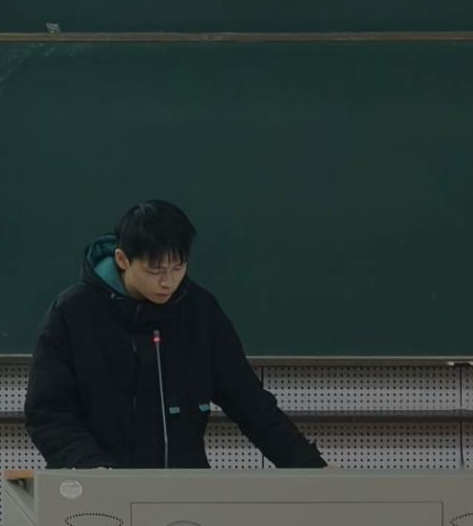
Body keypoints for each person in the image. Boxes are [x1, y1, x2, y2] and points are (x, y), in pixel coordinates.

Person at [24, 200, 326, 470]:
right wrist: (90, 467)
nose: (168, 282)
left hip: (183, 492)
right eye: (155, 270)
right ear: (122, 259)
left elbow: (250, 403)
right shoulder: (74, 312)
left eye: (178, 267)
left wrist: (310, 468)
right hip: (100, 491)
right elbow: (49, 412)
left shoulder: (199, 311)